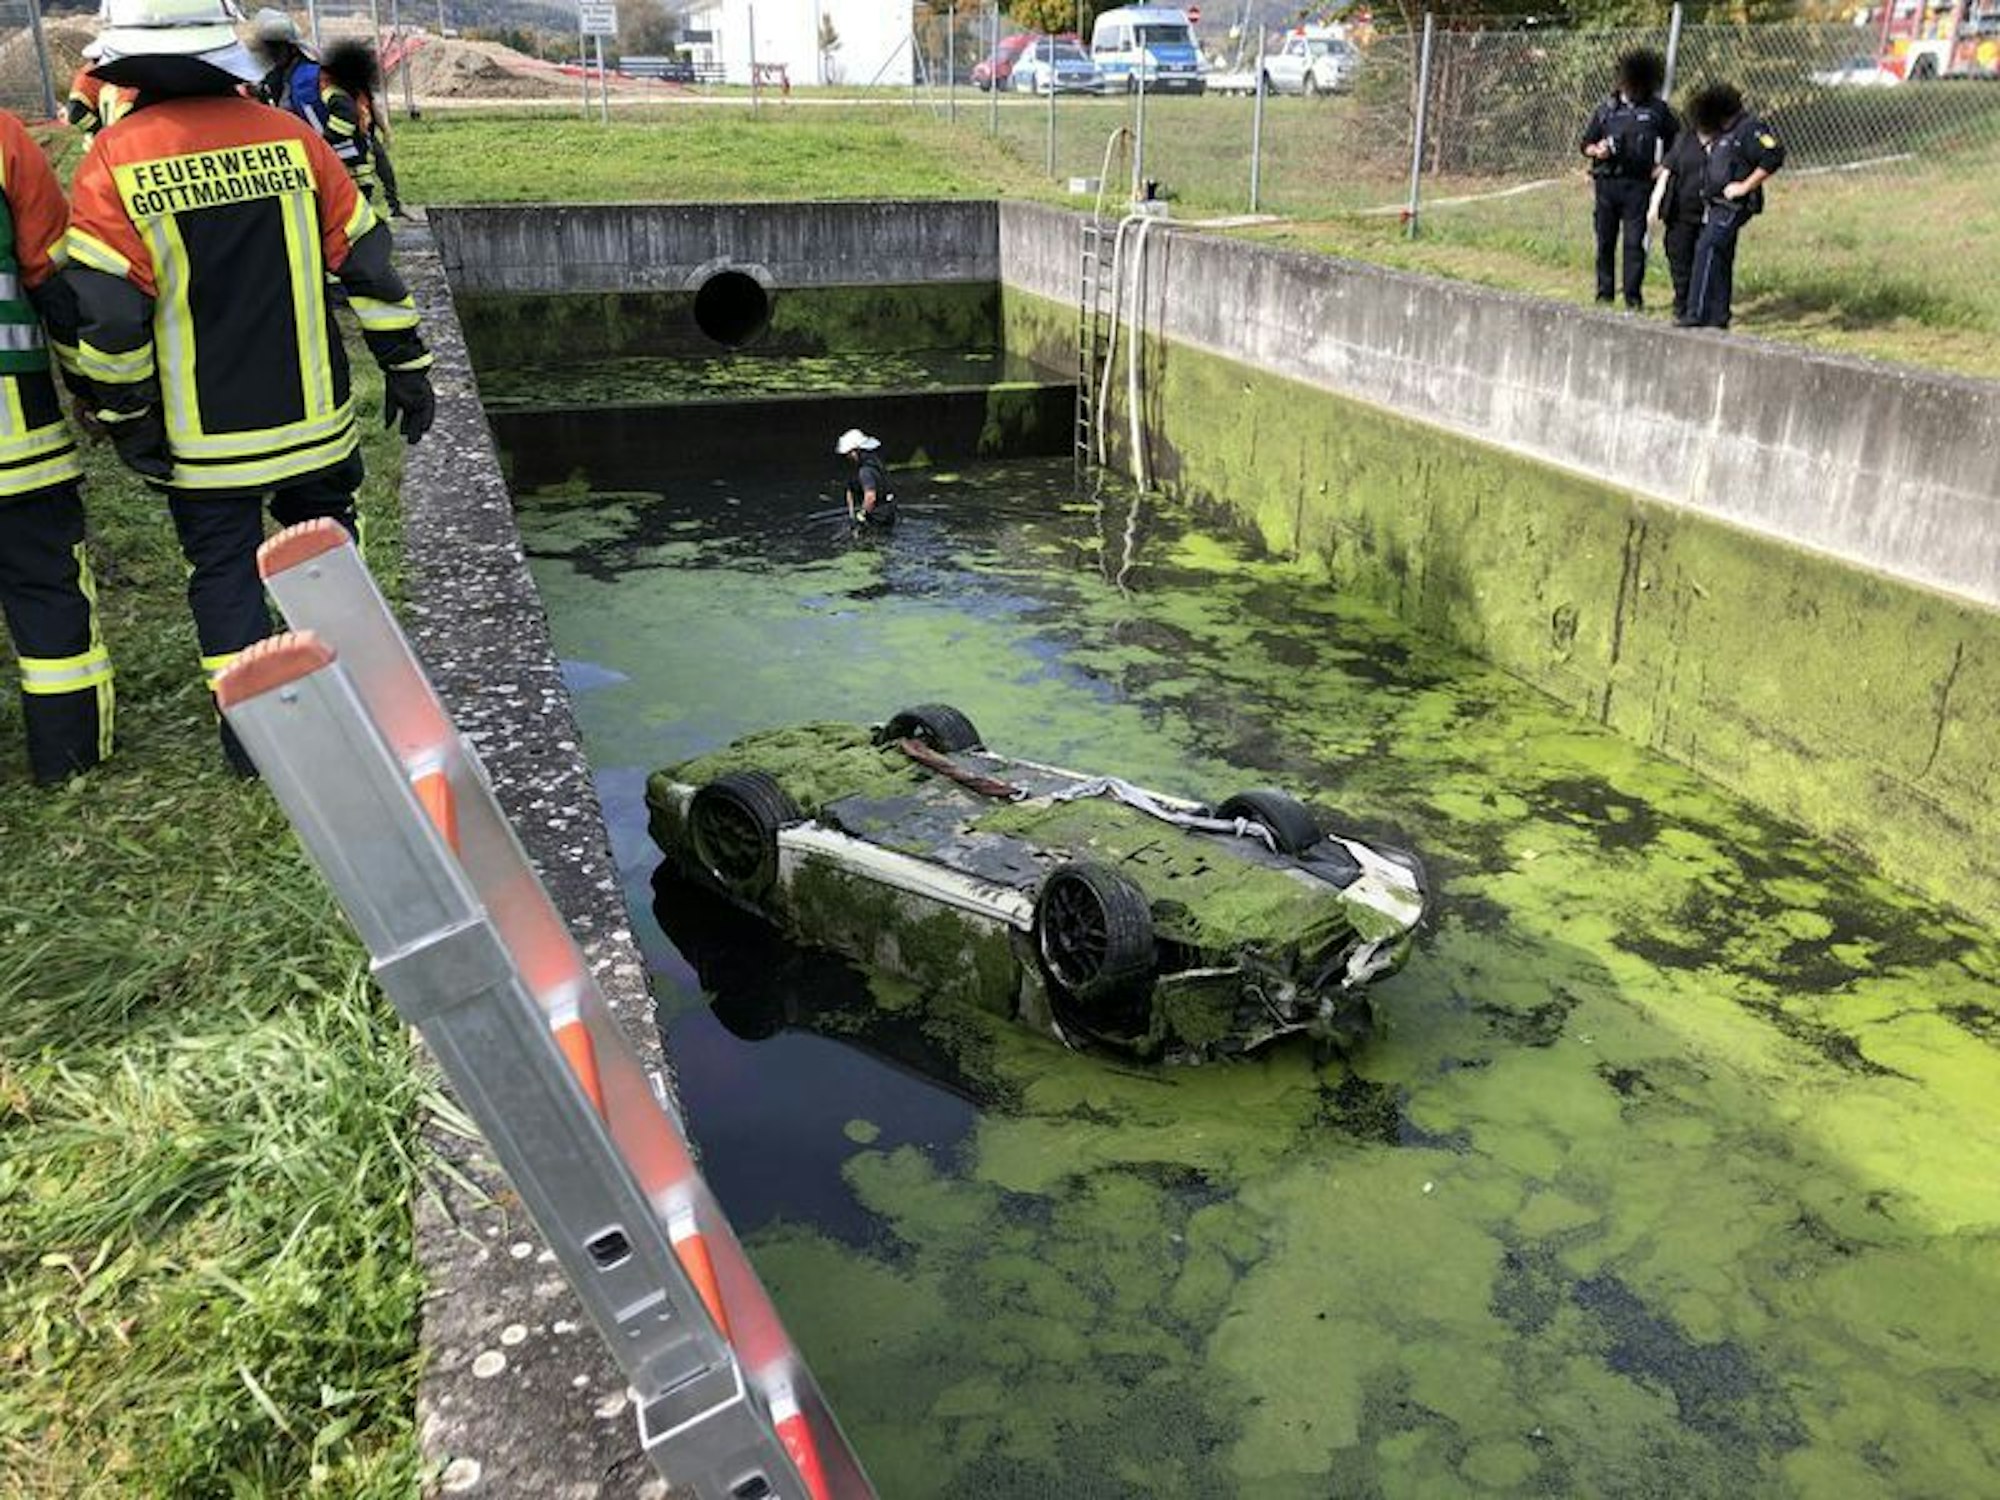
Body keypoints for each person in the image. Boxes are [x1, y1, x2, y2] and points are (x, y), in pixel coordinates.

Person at [65, 0, 436, 773]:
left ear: (124, 65)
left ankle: (257, 746)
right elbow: (367, 266)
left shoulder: (113, 162)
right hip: (317, 426)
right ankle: (352, 709)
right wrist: (408, 369)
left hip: (206, 449)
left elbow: (106, 320)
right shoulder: (294, 140)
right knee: (327, 560)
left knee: (225, 577)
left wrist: (128, 419)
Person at [0, 108, 110, 783]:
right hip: (16, 435)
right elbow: (54, 278)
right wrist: (93, 390)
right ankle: (68, 761)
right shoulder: (4, 137)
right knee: (45, 592)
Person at [1577, 49, 1677, 312]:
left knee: (1634, 243)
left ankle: (1633, 297)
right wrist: (1596, 150)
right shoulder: (1606, 110)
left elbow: (1676, 141)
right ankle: (1604, 293)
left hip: (1639, 185)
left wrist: (1663, 166)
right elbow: (1585, 143)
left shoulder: (1657, 110)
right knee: (1605, 241)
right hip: (1607, 184)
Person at [1682, 82, 1786, 330]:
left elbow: (1774, 156)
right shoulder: (1722, 131)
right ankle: (1719, 316)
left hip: (1734, 205)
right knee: (1721, 254)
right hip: (1716, 203)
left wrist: (1744, 186)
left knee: (1707, 247)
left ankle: (1696, 312)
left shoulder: (1750, 129)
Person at [251, 8, 377, 201]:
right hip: (320, 174)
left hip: (349, 173)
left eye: (276, 48)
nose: (272, 55)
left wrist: (321, 143)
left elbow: (345, 111)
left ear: (291, 49)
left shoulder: (317, 78)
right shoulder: (280, 82)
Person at [322, 38, 407, 218]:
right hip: (353, 136)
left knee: (384, 168)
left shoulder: (361, 87)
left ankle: (394, 206)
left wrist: (385, 130)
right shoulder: (337, 90)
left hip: (367, 133)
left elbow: (373, 107)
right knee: (358, 174)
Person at [1651, 117, 1709, 325]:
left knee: (1704, 262)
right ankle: (1682, 304)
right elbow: (1667, 171)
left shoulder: (1725, 141)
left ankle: (1701, 308)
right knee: (1679, 258)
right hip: (1680, 213)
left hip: (1709, 214)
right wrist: (1654, 206)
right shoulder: (1684, 140)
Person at [65, 41, 137, 145]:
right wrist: (99, 130)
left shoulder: (101, 73)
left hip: (109, 144)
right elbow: (75, 113)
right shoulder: (90, 75)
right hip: (111, 143)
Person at [837, 429, 894, 528]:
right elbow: (850, 490)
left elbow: (870, 497)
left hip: (877, 516)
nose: (848, 457)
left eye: (849, 454)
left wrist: (861, 515)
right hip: (888, 510)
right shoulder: (876, 462)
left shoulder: (865, 472)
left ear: (856, 451)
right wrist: (851, 515)